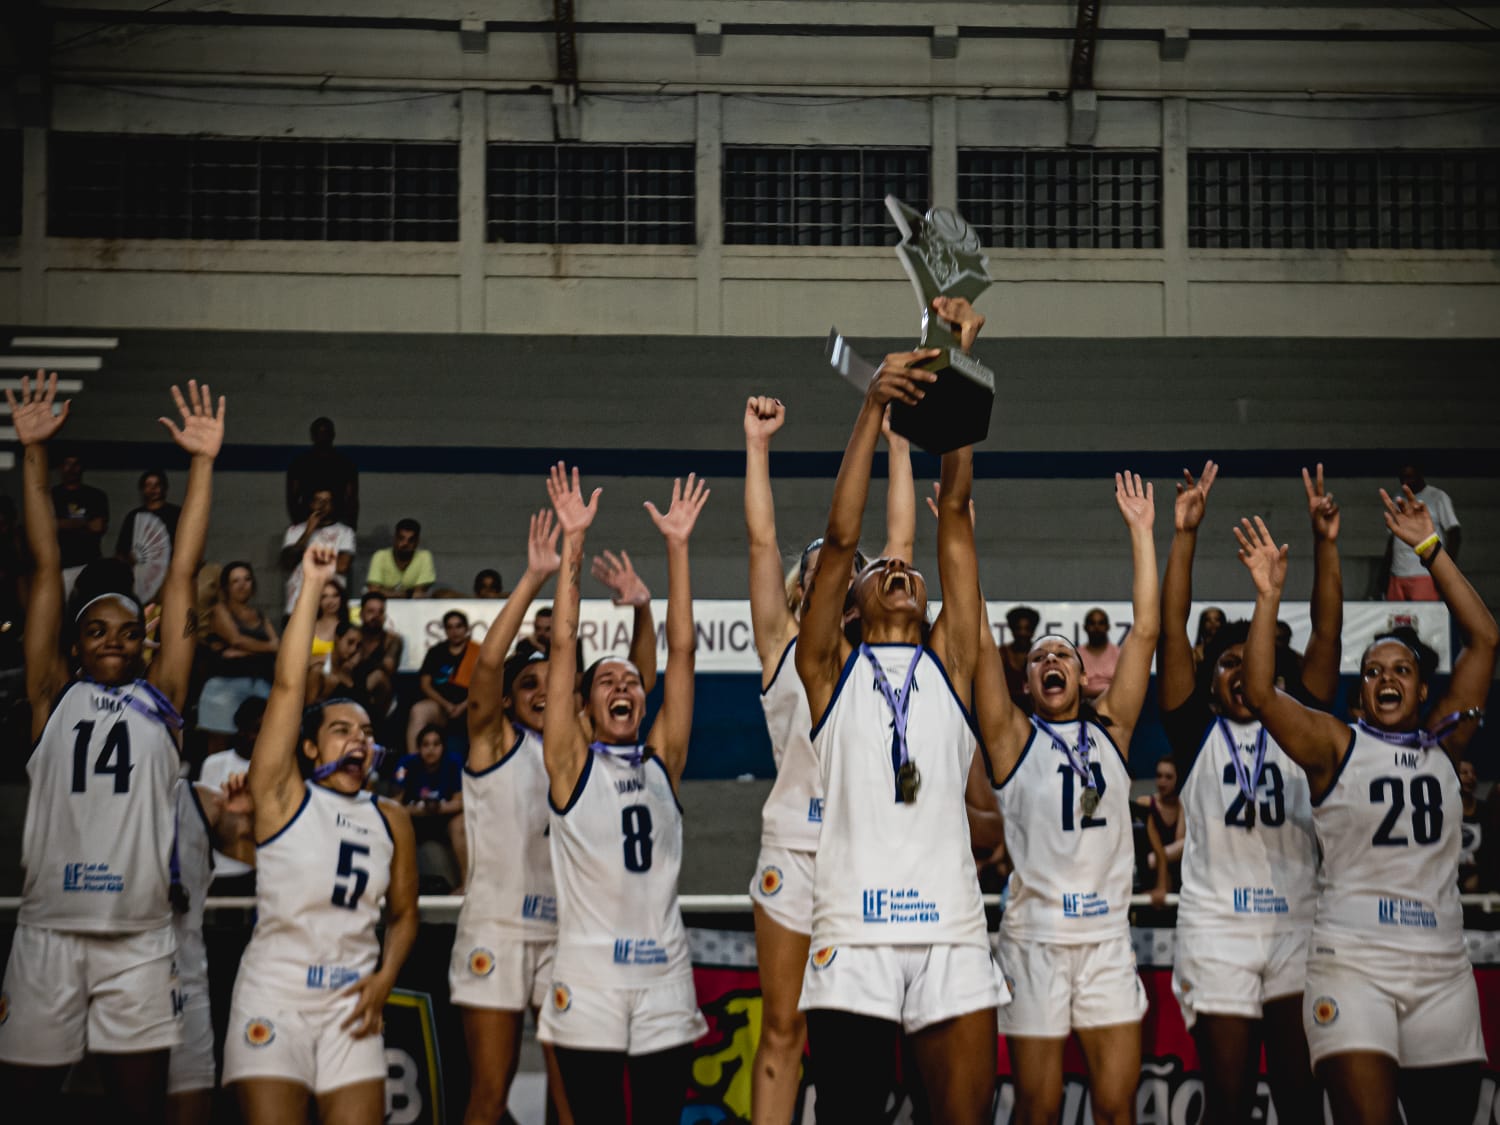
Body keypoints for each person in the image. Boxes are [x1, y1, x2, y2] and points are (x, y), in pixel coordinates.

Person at [1235, 483, 1495, 1125]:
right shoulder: (1335, 744)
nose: (1385, 678)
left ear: (1423, 687)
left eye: (1400, 669)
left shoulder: (1446, 737)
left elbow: (1485, 639)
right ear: (1360, 693)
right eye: (1373, 671)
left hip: (1442, 967)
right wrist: (1268, 598)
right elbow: (1263, 695)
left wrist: (1430, 549)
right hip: (1353, 962)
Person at [0, 374, 222, 1123]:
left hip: (138, 937)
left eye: (128, 631)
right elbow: (39, 568)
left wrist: (202, 465)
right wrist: (35, 454)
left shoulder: (165, 699)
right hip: (48, 931)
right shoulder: (49, 696)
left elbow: (185, 575)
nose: (115, 641)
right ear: (74, 640)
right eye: (98, 629)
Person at [795, 347, 1005, 1124]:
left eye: (905, 566)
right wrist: (872, 408)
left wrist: (957, 371)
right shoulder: (827, 669)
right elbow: (841, 537)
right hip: (854, 930)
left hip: (950, 925)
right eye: (876, 568)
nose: (896, 565)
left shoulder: (953, 659)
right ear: (848, 604)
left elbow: (953, 512)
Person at [741, 380, 920, 1117]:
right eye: (812, 565)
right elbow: (760, 540)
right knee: (784, 1028)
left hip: (866, 848)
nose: (829, 570)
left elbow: (901, 545)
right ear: (799, 586)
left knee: (864, 1033)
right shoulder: (781, 641)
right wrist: (756, 448)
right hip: (793, 844)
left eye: (841, 567)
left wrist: (899, 446)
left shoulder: (885, 648)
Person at [454, 508, 656, 1125]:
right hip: (496, 930)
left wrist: (644, 611)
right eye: (528, 685)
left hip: (567, 937)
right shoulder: (494, 743)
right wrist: (537, 577)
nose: (543, 692)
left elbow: (643, 680)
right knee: (490, 1094)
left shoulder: (581, 750)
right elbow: (487, 667)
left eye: (553, 682)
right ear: (511, 702)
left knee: (573, 1100)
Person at [1157, 461, 1342, 1125]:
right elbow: (1171, 625)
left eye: (1251, 659)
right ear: (1208, 684)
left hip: (1299, 923)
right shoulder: (1194, 728)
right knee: (1229, 1103)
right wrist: (1185, 535)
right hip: (1219, 928)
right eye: (1227, 661)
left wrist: (1325, 545)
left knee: (1300, 1099)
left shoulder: (1304, 725)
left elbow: (1326, 635)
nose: (1240, 669)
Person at [980, 470, 1159, 1125]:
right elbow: (972, 636)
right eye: (1038, 658)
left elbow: (1144, 631)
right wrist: (961, 538)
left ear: (1085, 677)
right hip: (1035, 939)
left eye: (1063, 655)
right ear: (1026, 683)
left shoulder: (1115, 728)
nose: (1051, 660)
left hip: (1108, 939)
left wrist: (1142, 532)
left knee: (1117, 1108)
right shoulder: (1010, 739)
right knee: (1039, 1106)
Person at [224, 543, 419, 1124]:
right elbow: (288, 687)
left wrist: (385, 978)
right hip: (273, 998)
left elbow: (406, 914)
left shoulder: (392, 818)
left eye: (364, 731)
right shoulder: (284, 796)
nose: (357, 740)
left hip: (352, 1003)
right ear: (310, 748)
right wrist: (311, 585)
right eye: (340, 730)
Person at [539, 463, 710, 1124]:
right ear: (584, 708)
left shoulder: (665, 757)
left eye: (632, 681)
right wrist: (573, 543)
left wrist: (678, 549)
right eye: (607, 681)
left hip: (665, 974)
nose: (623, 686)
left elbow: (685, 652)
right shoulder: (569, 764)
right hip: (590, 978)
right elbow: (561, 644)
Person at [168, 771, 255, 1125]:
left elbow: (279, 862)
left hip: (183, 978)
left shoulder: (201, 800)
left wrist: (254, 823)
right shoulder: (82, 785)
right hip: (103, 968)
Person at [199, 696, 266, 893]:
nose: (260, 736)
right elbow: (206, 816)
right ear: (242, 729)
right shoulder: (215, 763)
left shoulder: (272, 769)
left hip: (254, 866)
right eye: (256, 729)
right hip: (218, 865)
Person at [393, 724, 467, 888]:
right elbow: (395, 804)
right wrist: (419, 809)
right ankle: (397, 887)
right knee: (394, 823)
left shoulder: (453, 762)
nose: (431, 750)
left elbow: (460, 802)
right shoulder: (406, 764)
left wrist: (438, 808)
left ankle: (466, 883)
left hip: (444, 818)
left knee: (459, 823)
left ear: (443, 747)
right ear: (418, 748)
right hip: (415, 819)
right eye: (426, 745)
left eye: (436, 744)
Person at [1378, 462, 1460, 602]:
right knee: (1397, 621)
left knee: (1424, 621)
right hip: (1397, 573)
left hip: (1425, 574)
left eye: (1410, 477)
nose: (1406, 481)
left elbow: (1455, 534)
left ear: (1420, 475)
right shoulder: (1397, 498)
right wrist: (1384, 574)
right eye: (1402, 477)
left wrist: (1443, 573)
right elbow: (1392, 539)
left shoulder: (1437, 496)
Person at [407, 609, 478, 755]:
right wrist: (446, 705)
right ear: (445, 630)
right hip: (443, 707)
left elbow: (485, 686)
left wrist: (462, 706)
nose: (455, 631)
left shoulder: (478, 651)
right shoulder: (436, 652)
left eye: (458, 626)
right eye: (450, 627)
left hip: (470, 707)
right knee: (418, 710)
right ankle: (412, 763)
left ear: (466, 628)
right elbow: (425, 684)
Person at [280, 487, 355, 617]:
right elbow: (287, 563)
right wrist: (308, 531)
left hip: (330, 607)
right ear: (311, 504)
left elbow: (343, 566)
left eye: (327, 501)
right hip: (296, 604)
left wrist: (311, 560)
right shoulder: (294, 531)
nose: (322, 505)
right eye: (318, 500)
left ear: (333, 505)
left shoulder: (345, 532)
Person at [51, 445, 110, 595]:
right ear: (61, 467)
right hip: (58, 566)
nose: (71, 468)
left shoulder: (95, 496)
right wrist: (85, 523)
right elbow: (48, 526)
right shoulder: (52, 496)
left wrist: (64, 524)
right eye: (67, 464)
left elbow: (98, 526)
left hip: (89, 564)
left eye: (76, 464)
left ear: (82, 468)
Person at [286, 416, 359, 529]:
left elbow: (352, 498)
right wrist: (298, 522)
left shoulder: (345, 464)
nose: (323, 437)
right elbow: (292, 497)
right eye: (320, 433)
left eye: (326, 433)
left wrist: (351, 526)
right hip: (308, 519)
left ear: (332, 435)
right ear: (313, 436)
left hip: (337, 520)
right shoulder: (300, 464)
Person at [1136, 757, 1184, 906]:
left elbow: (1181, 843)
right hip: (1151, 876)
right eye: (1159, 776)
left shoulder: (1183, 805)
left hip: (1177, 876)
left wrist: (1184, 804)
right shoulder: (1145, 802)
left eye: (1168, 777)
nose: (1162, 781)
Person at [115, 468, 181, 562]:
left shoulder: (176, 513)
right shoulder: (134, 516)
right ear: (142, 489)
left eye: (157, 484)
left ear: (164, 488)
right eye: (148, 485)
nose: (153, 489)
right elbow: (121, 550)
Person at [365, 518, 435, 599]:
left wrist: (386, 591)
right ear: (394, 538)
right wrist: (407, 594)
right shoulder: (380, 556)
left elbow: (418, 595)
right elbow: (374, 592)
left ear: (417, 541)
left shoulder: (424, 556)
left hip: (414, 607)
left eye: (411, 540)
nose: (405, 543)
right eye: (401, 538)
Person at [1001, 605, 1040, 710]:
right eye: (1018, 628)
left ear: (1033, 630)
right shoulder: (1001, 654)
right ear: (1011, 629)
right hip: (1006, 710)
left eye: (1027, 629)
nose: (1022, 633)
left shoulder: (1041, 655)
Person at [1079, 607, 1120, 699]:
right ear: (1085, 627)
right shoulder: (1076, 656)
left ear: (1108, 627)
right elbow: (1075, 690)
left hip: (1116, 705)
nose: (1096, 627)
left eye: (1101, 623)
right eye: (1092, 623)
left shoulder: (1120, 654)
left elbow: (1124, 688)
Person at [308, 579, 349, 662]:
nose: (330, 601)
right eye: (324, 596)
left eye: (335, 595)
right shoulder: (309, 628)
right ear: (318, 601)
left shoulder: (349, 629)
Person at [1458, 760, 1483, 892]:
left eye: (1473, 773)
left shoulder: (1484, 811)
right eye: (1464, 773)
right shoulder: (1443, 809)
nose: (1470, 776)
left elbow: (1489, 853)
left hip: (1475, 880)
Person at [1192, 605, 1226, 670]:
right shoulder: (1196, 652)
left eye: (1217, 620)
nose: (1213, 623)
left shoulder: (1229, 651)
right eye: (1208, 620)